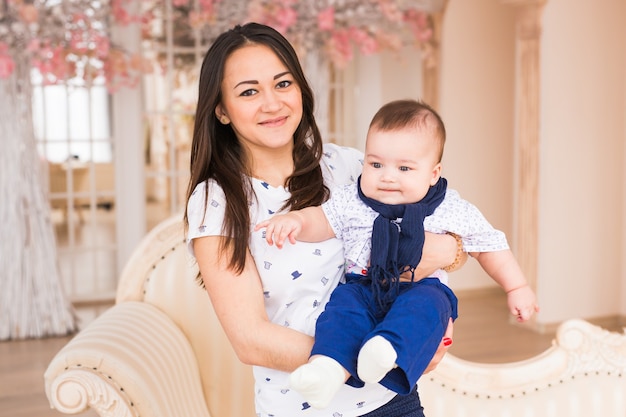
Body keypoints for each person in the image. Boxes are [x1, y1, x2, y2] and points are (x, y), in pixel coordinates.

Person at [184, 23, 464, 417]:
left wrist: (425, 326)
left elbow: (449, 237)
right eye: (249, 91)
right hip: (301, 408)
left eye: (283, 84)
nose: (272, 103)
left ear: (300, 89)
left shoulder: (350, 166)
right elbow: (250, 339)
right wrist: (360, 359)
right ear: (222, 111)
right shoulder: (217, 200)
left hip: (392, 402)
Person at [257, 99, 540, 409]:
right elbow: (322, 219)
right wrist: (295, 220)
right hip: (362, 286)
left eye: (404, 168)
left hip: (420, 287)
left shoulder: (449, 206)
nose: (387, 176)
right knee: (341, 313)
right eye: (376, 165)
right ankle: (326, 369)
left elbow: (487, 244)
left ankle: (385, 350)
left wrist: (516, 287)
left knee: (428, 307)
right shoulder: (353, 199)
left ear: (433, 173)